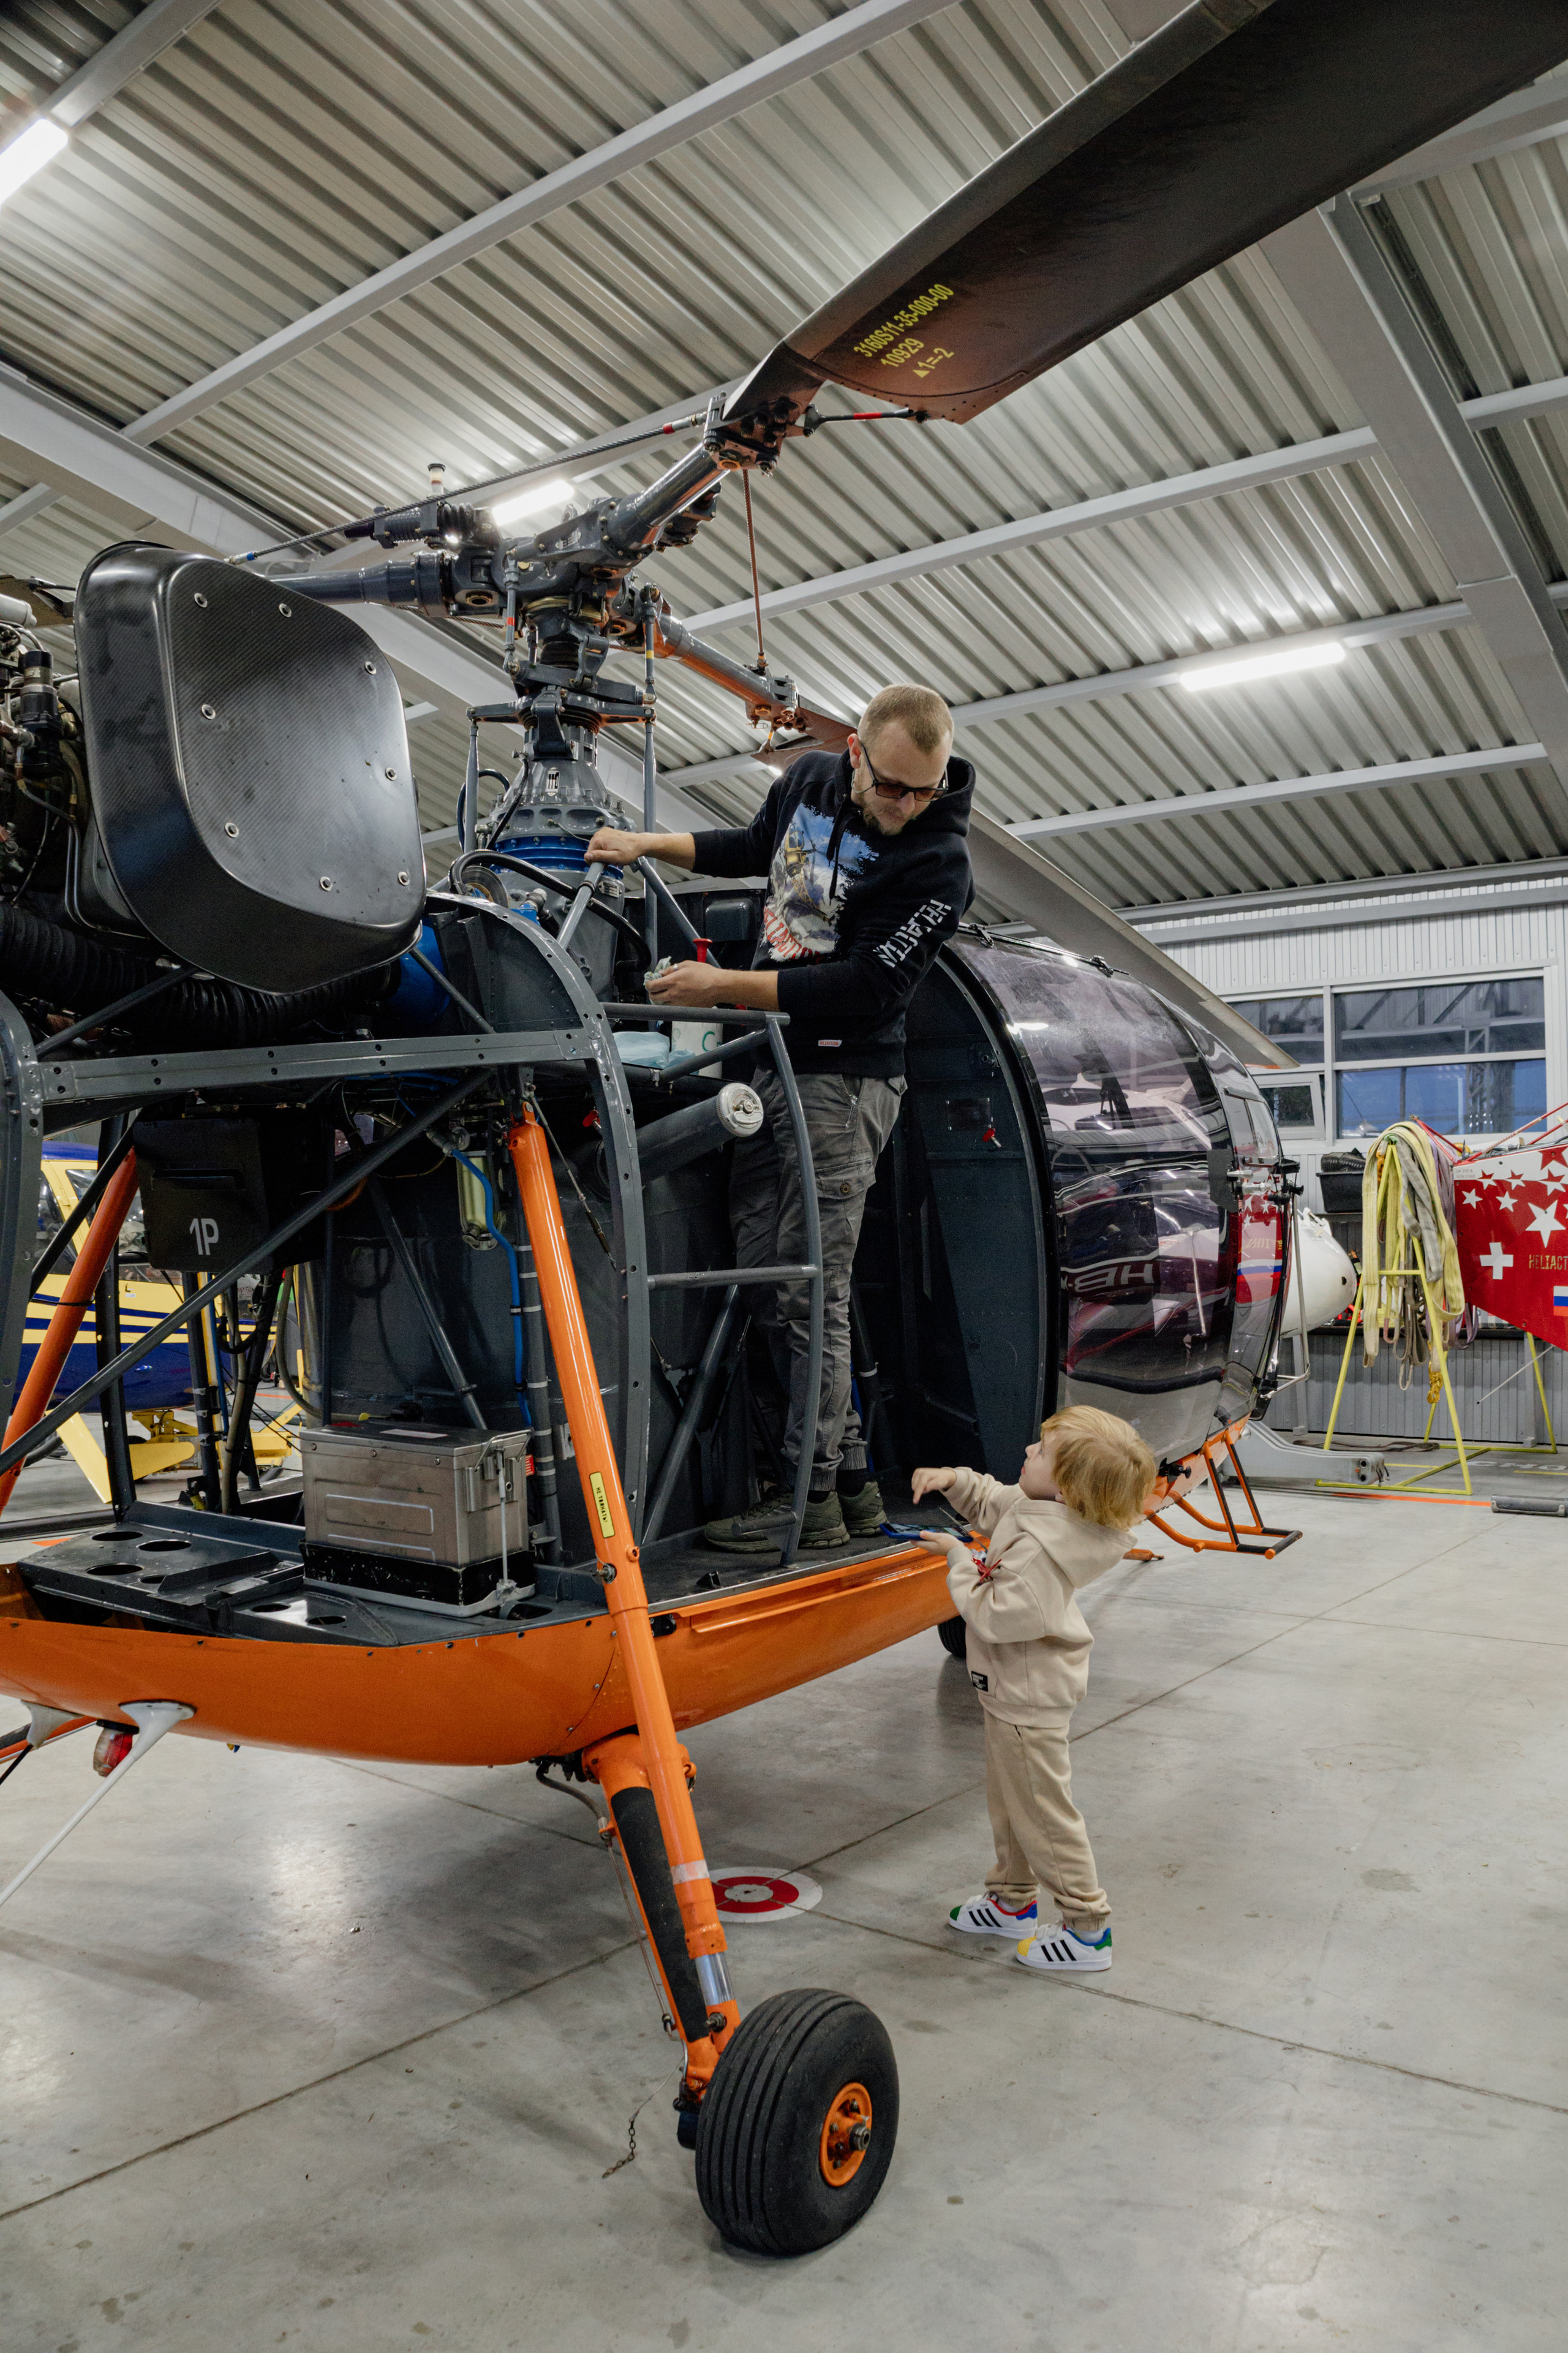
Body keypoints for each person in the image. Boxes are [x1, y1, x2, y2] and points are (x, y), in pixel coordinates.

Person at [586, 683, 973, 1551]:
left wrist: (720, 987)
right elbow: (757, 846)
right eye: (893, 788)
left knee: (809, 1296)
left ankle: (796, 1503)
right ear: (855, 757)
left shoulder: (940, 864)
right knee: (774, 1286)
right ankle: (847, 1490)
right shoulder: (807, 783)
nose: (909, 807)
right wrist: (654, 845)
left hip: (843, 1082)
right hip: (776, 1066)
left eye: (927, 789)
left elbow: (861, 988)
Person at [912, 1405, 1155, 1975]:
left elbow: (994, 1615)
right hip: (1010, 1692)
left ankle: (1087, 1930)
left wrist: (958, 1560)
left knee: (1044, 1815)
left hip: (1029, 1700)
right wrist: (957, 1479)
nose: (1027, 1452)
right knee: (1013, 1806)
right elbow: (999, 1502)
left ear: (1066, 1486)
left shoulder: (1043, 1556)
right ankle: (1011, 1901)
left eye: (1041, 1451)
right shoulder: (1041, 1509)